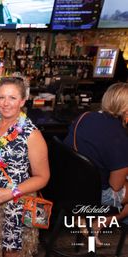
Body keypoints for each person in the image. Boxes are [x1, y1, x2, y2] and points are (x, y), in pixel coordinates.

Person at [0, 77, 50, 257]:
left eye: (12, 98)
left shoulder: (31, 134)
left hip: (16, 206)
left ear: (22, 101)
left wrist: (10, 193)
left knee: (11, 253)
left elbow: (43, 177)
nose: (5, 103)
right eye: (1, 97)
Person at [64, 82, 128, 244]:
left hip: (66, 187)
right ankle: (97, 224)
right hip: (90, 195)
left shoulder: (84, 117)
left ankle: (84, 219)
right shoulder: (120, 137)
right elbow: (115, 187)